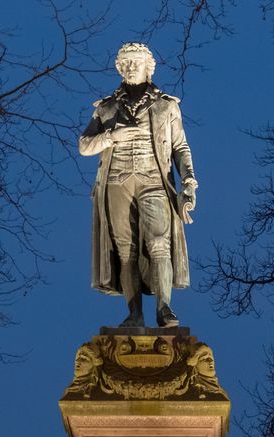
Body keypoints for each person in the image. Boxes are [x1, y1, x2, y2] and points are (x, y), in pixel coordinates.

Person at [79, 42, 198, 328]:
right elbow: (84, 145)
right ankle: (135, 314)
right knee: (126, 250)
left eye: (137, 61)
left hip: (153, 180)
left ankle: (164, 308)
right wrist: (112, 138)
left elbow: (180, 148)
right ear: (120, 68)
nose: (131, 66)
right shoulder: (106, 108)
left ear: (149, 67)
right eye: (126, 62)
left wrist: (189, 183)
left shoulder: (166, 106)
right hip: (117, 183)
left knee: (159, 243)